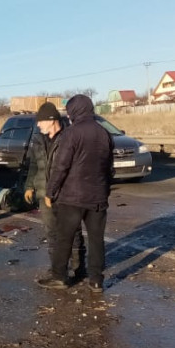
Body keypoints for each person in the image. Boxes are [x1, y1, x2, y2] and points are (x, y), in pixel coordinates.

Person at [37, 95, 114, 292]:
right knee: (97, 240)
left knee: (65, 238)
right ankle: (96, 280)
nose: (69, 116)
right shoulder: (104, 133)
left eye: (70, 112)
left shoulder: (71, 134)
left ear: (74, 112)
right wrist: (104, 190)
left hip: (72, 197)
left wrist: (51, 192)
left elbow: (61, 166)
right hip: (97, 198)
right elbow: (109, 169)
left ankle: (59, 277)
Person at [24, 102, 86, 280]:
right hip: (45, 194)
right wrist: (29, 186)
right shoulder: (38, 139)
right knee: (51, 233)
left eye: (40, 121)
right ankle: (57, 270)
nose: (37, 125)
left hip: (66, 195)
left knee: (72, 232)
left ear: (51, 120)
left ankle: (79, 267)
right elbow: (34, 165)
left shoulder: (69, 138)